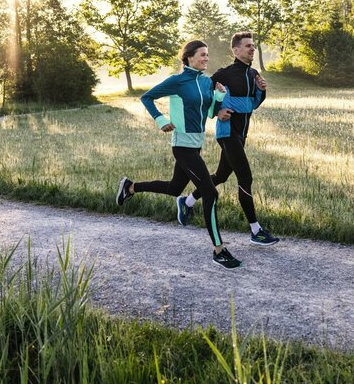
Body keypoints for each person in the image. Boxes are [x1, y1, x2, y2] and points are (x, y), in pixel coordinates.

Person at [116, 40, 242, 269]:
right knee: (210, 193)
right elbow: (147, 97)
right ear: (189, 57)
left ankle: (130, 187)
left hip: (196, 144)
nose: (206, 58)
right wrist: (161, 119)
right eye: (202, 55)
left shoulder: (206, 82)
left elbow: (210, 112)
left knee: (175, 188)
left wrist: (220, 99)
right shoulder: (177, 81)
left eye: (207, 54)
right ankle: (219, 250)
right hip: (182, 145)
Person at [176, 32, 279, 246]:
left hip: (241, 134)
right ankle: (255, 230)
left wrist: (262, 92)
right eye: (248, 46)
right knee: (245, 178)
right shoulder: (224, 74)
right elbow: (205, 99)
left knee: (221, 175)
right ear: (236, 50)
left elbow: (252, 105)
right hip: (227, 134)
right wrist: (218, 110)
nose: (252, 49)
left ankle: (187, 201)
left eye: (253, 46)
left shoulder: (254, 74)